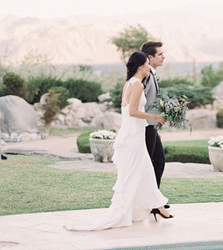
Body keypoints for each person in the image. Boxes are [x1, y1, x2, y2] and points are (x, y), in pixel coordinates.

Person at [66, 51, 173, 231]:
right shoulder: (137, 85)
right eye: (147, 64)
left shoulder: (129, 83)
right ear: (141, 66)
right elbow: (132, 111)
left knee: (144, 172)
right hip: (134, 136)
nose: (149, 67)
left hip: (132, 135)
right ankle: (132, 210)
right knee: (136, 174)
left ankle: (155, 206)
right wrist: (155, 116)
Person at [140, 41, 166, 189]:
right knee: (149, 163)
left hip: (152, 127)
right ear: (150, 57)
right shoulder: (146, 76)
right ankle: (148, 197)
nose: (164, 57)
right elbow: (139, 102)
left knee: (159, 161)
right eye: (160, 54)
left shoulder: (152, 74)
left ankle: (153, 196)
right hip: (145, 127)